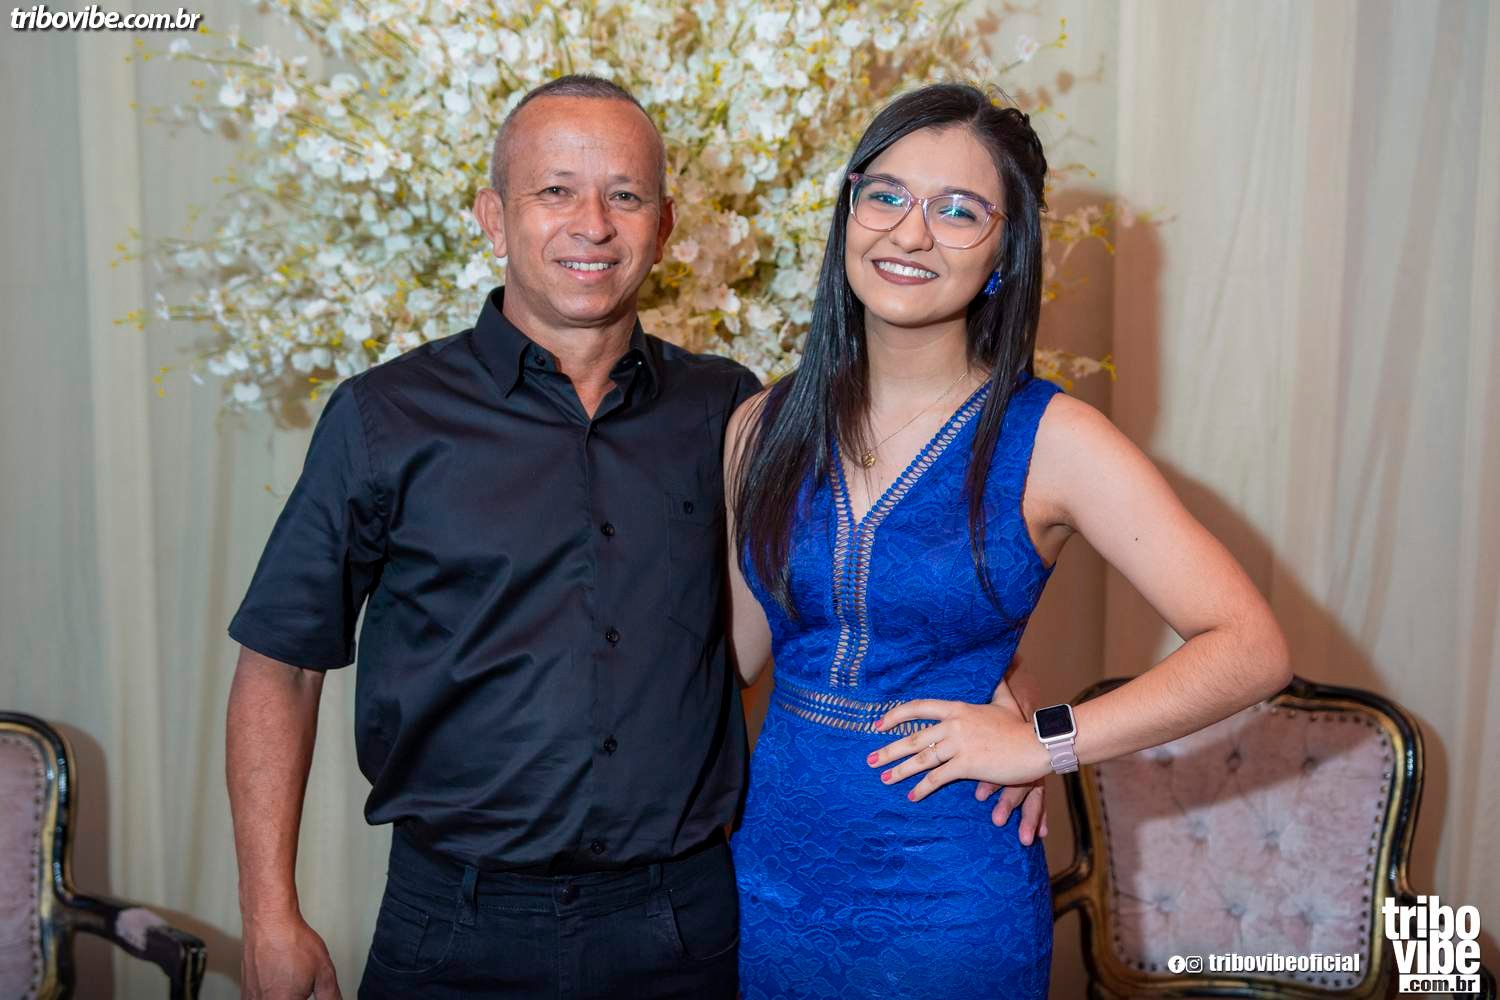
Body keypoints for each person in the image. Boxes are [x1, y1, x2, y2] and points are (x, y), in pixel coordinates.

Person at [724, 82, 1293, 999]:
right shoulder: (762, 425)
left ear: (1005, 253)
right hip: (766, 883)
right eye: (885, 195)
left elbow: (1251, 648)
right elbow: (735, 659)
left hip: (946, 901)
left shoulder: (1054, 439)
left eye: (958, 210)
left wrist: (1043, 743)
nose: (910, 233)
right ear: (848, 215)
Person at [224, 75, 761, 1000]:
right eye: (555, 190)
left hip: (683, 922)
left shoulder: (728, 410)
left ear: (665, 224)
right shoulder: (385, 417)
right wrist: (269, 913)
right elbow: (282, 667)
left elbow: (803, 621)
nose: (593, 225)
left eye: (625, 195)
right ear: (493, 217)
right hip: (453, 927)